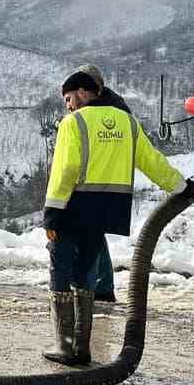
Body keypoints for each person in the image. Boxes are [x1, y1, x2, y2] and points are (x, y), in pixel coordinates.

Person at [42, 69, 194, 366]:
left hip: (73, 207)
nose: (68, 105)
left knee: (60, 269)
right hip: (107, 211)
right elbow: (152, 162)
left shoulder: (73, 123)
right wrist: (183, 187)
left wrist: (51, 214)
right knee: (85, 271)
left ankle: (65, 345)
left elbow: (65, 171)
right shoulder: (127, 121)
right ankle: (82, 347)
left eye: (69, 98)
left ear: (83, 93)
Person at [72, 64, 132, 305]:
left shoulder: (107, 109)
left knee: (88, 232)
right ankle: (100, 287)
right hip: (107, 177)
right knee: (92, 232)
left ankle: (98, 287)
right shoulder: (111, 104)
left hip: (99, 177)